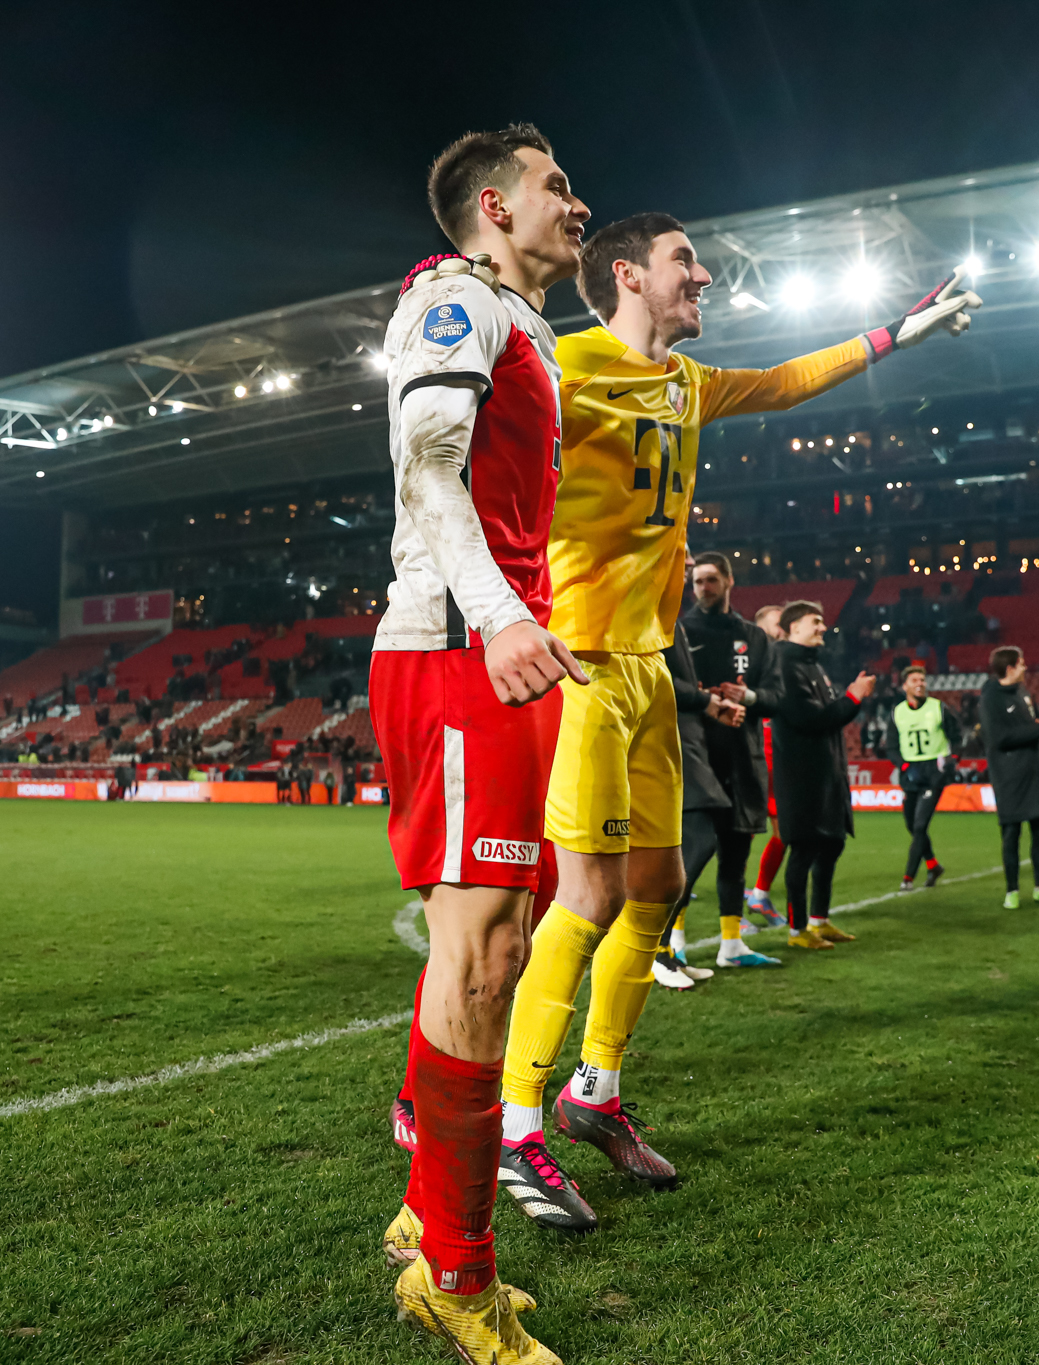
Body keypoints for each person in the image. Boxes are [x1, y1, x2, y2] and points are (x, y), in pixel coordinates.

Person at [497, 213, 979, 1224]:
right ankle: (512, 1129)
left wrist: (901, 331)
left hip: (645, 670)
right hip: (580, 661)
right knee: (581, 897)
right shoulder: (557, 360)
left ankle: (596, 1093)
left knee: (660, 883)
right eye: (684, 262)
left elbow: (791, 380)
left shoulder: (686, 383)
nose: (704, 275)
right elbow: (468, 454)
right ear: (626, 274)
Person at [367, 122, 589, 1363]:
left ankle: (427, 1216)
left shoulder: (524, 326)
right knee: (483, 952)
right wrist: (501, 617)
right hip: (461, 650)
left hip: (498, 649)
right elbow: (427, 470)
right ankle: (456, 1272)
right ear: (494, 208)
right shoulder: (453, 303)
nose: (576, 201)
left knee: (493, 944)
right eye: (556, 185)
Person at [678, 553, 783, 968]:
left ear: (729, 581)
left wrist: (750, 697)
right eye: (697, 581)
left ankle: (731, 944)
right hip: (697, 759)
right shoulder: (680, 632)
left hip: (743, 759)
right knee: (691, 855)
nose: (703, 588)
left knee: (735, 856)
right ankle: (676, 941)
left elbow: (777, 698)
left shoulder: (755, 638)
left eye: (710, 580)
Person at [651, 618, 751, 989]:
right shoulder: (652, 612)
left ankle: (659, 950)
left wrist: (706, 701)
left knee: (688, 845)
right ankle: (653, 950)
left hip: (685, 740)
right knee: (697, 840)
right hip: (666, 741)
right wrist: (707, 699)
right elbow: (653, 676)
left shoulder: (669, 617)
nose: (688, 572)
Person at [771, 601, 874, 948]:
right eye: (815, 621)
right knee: (803, 849)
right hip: (801, 776)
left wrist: (848, 699)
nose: (822, 627)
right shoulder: (785, 664)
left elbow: (826, 715)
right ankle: (797, 930)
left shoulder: (811, 665)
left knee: (831, 843)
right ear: (792, 626)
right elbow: (810, 719)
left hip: (826, 773)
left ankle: (820, 919)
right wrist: (853, 698)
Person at [979, 647, 1039, 910]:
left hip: (1033, 771)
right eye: (1022, 663)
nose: (1026, 668)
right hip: (1008, 776)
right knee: (1011, 834)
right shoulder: (990, 699)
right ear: (1010, 668)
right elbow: (999, 739)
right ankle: (1012, 890)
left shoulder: (1023, 693)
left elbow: (1027, 728)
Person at [886, 662, 960, 891]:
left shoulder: (938, 707)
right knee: (911, 824)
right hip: (911, 773)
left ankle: (908, 877)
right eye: (915, 681)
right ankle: (933, 864)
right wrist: (904, 766)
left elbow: (956, 736)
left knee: (919, 826)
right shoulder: (897, 712)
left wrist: (951, 760)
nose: (920, 684)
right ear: (904, 686)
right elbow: (891, 747)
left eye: (922, 680)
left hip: (933, 773)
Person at [746, 602, 791, 925]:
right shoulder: (746, 662)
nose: (783, 630)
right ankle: (732, 910)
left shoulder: (785, 662)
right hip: (750, 757)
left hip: (781, 759)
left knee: (785, 832)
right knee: (737, 836)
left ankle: (760, 895)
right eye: (778, 624)